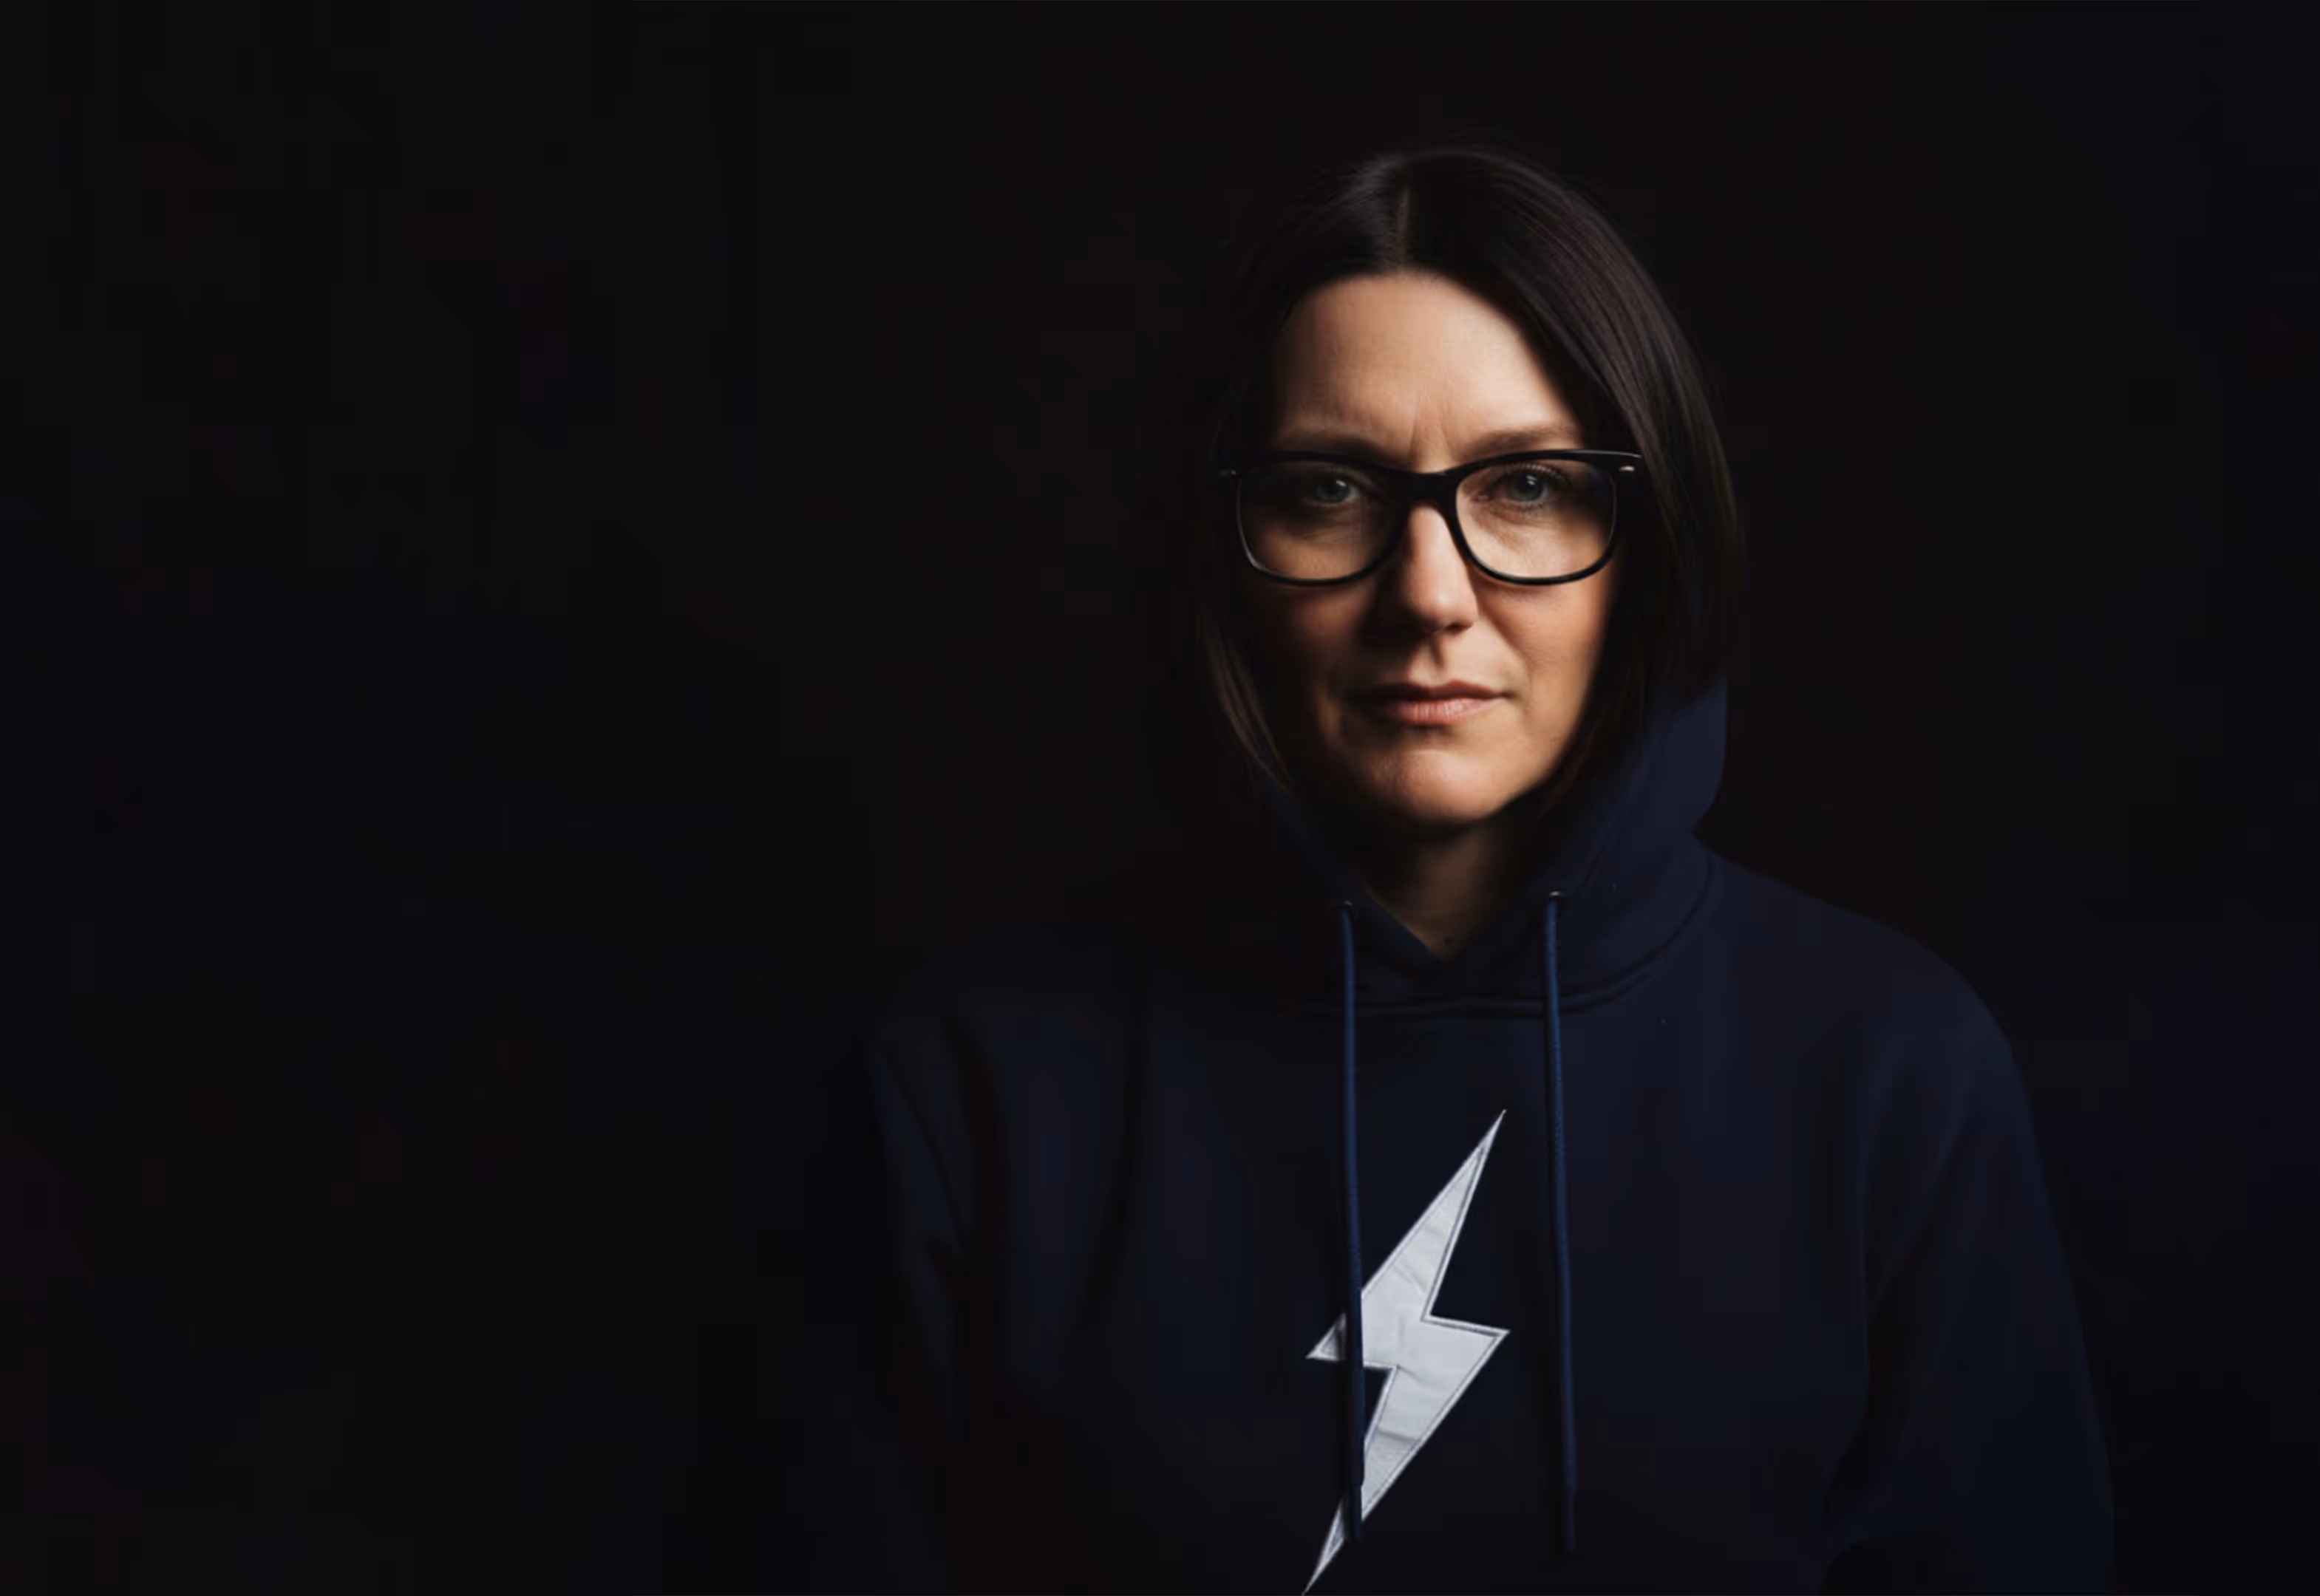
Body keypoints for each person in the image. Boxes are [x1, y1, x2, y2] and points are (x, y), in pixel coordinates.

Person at [853, 142, 2112, 1593]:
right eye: (1331, 488)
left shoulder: (1889, 1072)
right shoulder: (976, 1091)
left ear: (1650, 548)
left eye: (1528, 487)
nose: (1430, 595)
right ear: (1223, 550)